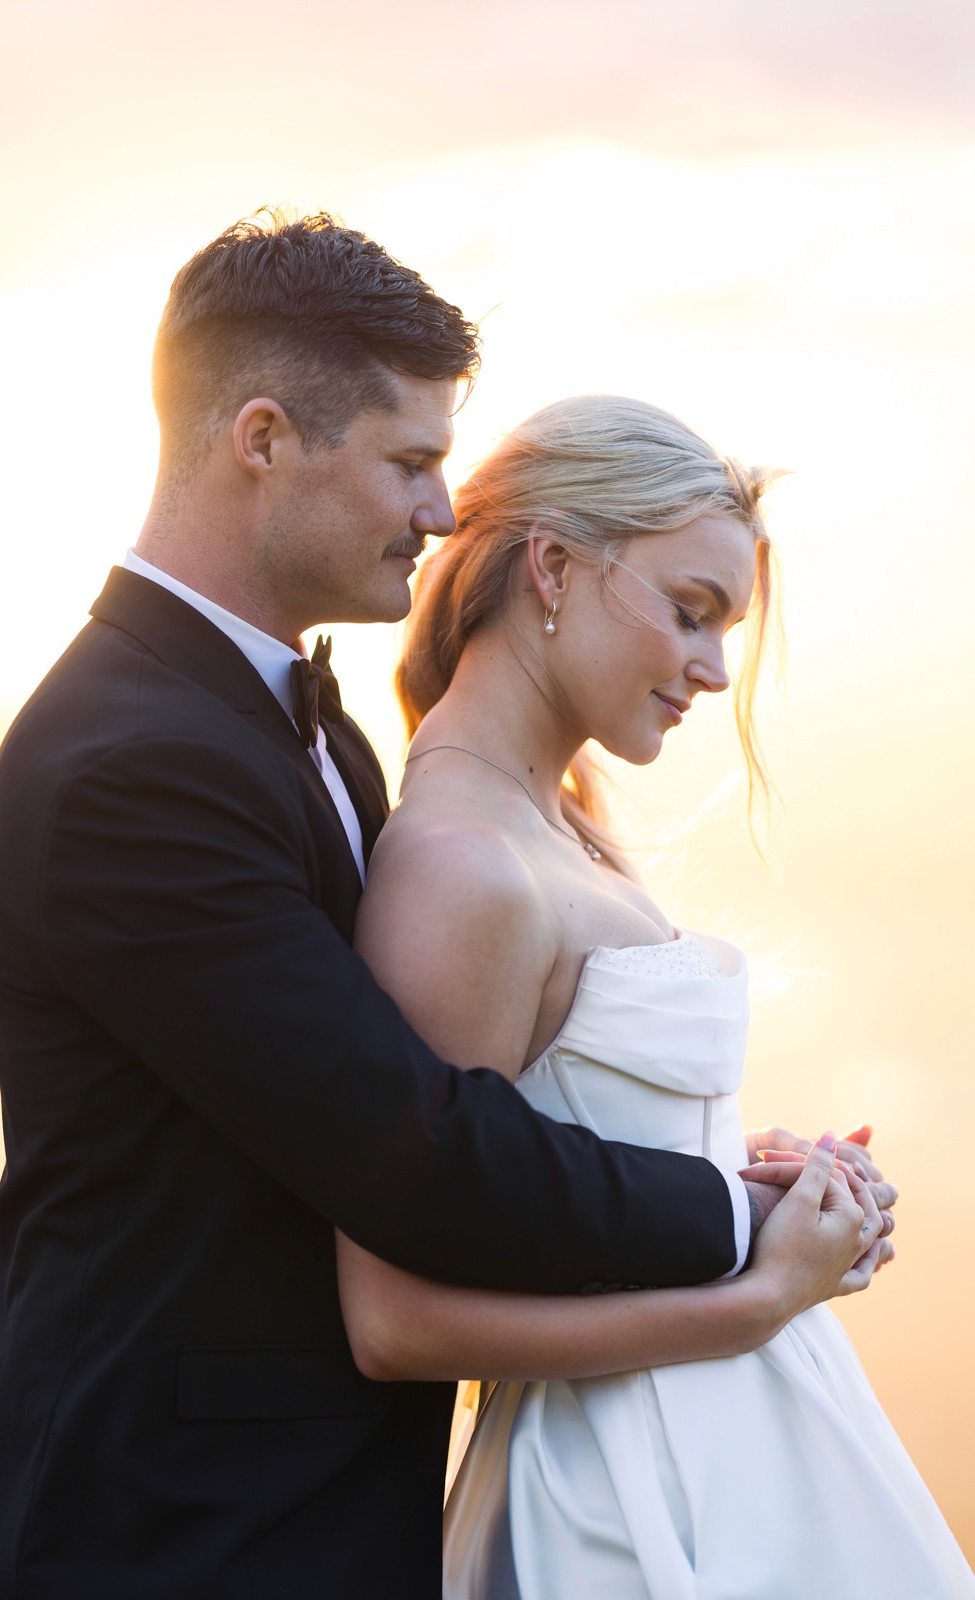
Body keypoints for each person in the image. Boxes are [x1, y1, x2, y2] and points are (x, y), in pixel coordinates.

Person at [0, 213, 881, 1600]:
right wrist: (730, 1229)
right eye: (410, 461)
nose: (446, 511)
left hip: (313, 1514)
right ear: (261, 438)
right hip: (172, 1535)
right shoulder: (129, 768)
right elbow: (414, 1148)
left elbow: (423, 1091)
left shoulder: (310, 736)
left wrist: (688, 1157)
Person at [337, 395, 973, 1598]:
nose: (710, 668)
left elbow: (557, 1162)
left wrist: (768, 1187)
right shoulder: (457, 871)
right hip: (622, 1494)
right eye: (689, 613)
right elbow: (396, 1320)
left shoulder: (560, 823)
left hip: (740, 1445)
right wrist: (749, 1301)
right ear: (554, 566)